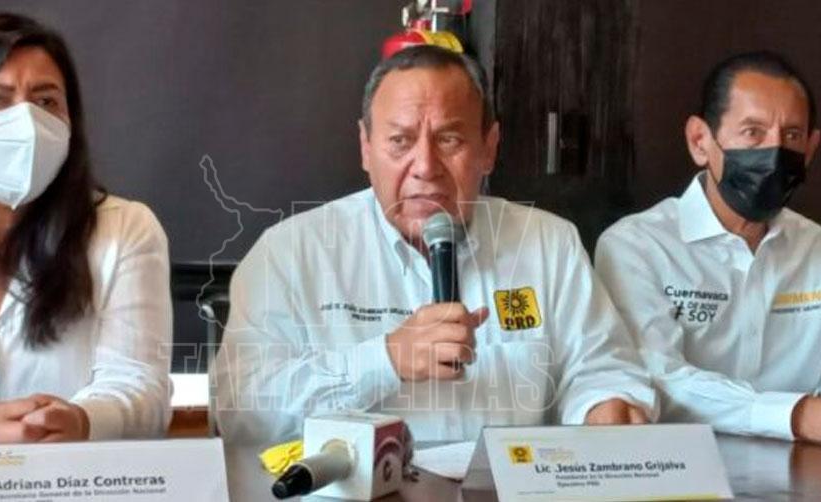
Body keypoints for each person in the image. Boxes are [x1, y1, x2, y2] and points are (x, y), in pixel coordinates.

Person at [214, 45, 656, 445]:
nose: (425, 166)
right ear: (366, 148)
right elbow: (239, 411)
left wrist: (604, 404)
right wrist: (385, 360)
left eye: (449, 140)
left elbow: (601, 367)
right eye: (400, 141)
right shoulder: (291, 253)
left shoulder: (548, 244)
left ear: (489, 148)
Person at [0, 13, 172, 466]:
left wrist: (81, 420)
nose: (26, 121)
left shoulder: (125, 229)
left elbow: (141, 388)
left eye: (46, 101)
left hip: (68, 487)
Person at [595, 51, 821, 446]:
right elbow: (657, 379)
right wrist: (797, 415)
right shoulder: (636, 247)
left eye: (792, 136)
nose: (774, 153)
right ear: (700, 141)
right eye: (753, 132)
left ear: (811, 148)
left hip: (810, 467)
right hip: (679, 463)